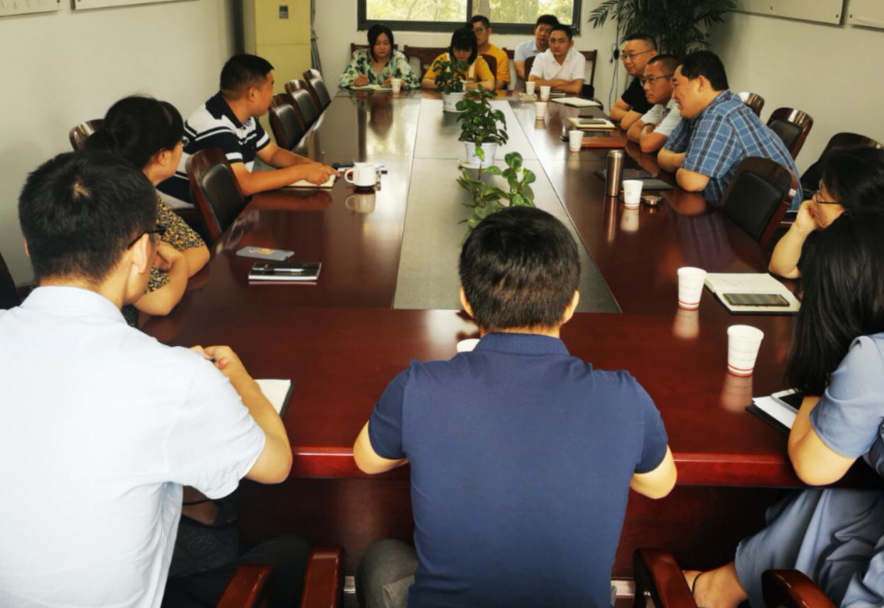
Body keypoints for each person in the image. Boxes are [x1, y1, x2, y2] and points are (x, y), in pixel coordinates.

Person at [0, 150, 307, 608]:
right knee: (292, 550)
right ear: (143, 251)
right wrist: (238, 377)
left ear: (29, 247)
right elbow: (275, 464)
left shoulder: (169, 375)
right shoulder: (173, 378)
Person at [352, 206, 677, 608]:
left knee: (381, 558)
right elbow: (660, 484)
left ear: (466, 302)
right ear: (571, 305)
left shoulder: (418, 387)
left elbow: (367, 460)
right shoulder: (625, 397)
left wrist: (424, 440)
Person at [684, 211, 884, 608]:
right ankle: (717, 589)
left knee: (831, 495)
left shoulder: (872, 357)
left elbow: (812, 466)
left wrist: (821, 371)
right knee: (837, 502)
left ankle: (713, 591)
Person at [85, 96, 209, 323]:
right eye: (181, 142)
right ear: (163, 156)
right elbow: (160, 302)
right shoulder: (112, 203)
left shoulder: (141, 192)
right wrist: (177, 264)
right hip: (104, 331)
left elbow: (198, 249)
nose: (182, 148)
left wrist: (165, 279)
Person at [158, 54, 338, 206]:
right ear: (252, 94)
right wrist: (301, 172)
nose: (273, 93)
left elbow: (272, 153)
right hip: (190, 212)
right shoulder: (215, 125)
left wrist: (307, 165)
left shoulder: (241, 115)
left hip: (220, 201)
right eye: (271, 86)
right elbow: (245, 184)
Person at [658, 51, 802, 208]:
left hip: (769, 219)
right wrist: (687, 158)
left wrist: (685, 161)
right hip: (734, 211)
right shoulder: (695, 112)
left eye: (676, 85)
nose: (672, 95)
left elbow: (691, 181)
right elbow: (662, 156)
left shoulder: (720, 115)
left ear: (700, 83)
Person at [769, 147, 884, 279]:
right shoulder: (822, 235)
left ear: (849, 210)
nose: (813, 199)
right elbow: (780, 268)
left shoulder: (860, 260)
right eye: (819, 189)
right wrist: (800, 229)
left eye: (821, 197)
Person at [625, 55, 682, 153]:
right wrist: (651, 128)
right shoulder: (660, 104)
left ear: (673, 80)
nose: (645, 87)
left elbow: (647, 145)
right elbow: (632, 131)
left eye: (652, 79)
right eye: (644, 81)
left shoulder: (679, 106)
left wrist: (647, 129)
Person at [338, 24, 419, 90]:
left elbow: (414, 81)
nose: (382, 47)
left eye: (386, 43)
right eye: (377, 43)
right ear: (371, 44)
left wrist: (399, 82)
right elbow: (343, 80)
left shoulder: (398, 58)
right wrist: (355, 81)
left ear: (391, 44)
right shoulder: (361, 57)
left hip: (391, 102)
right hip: (365, 101)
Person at [421, 27, 494, 92]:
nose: (461, 54)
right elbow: (425, 82)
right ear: (452, 48)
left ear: (473, 50)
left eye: (466, 50)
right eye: (457, 49)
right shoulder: (443, 59)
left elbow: (490, 85)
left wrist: (462, 86)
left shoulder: (479, 62)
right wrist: (447, 85)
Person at [610, 34, 658, 129]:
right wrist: (635, 119)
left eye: (632, 55)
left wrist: (633, 119)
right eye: (624, 56)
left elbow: (627, 123)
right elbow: (614, 111)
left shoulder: (656, 82)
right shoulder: (639, 80)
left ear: (652, 55)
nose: (627, 61)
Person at [527, 24, 585, 95]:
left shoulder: (578, 58)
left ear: (571, 44)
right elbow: (532, 83)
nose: (556, 45)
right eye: (552, 41)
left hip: (569, 99)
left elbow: (576, 88)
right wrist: (560, 82)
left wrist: (546, 85)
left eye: (561, 41)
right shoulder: (541, 57)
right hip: (545, 98)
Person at [513, 14, 559, 82]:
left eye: (548, 31)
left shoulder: (558, 50)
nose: (543, 34)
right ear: (535, 30)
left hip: (549, 87)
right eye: (541, 29)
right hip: (524, 87)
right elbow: (520, 71)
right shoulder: (522, 48)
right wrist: (537, 83)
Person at [470, 15, 510, 90]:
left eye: (479, 30)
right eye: (472, 32)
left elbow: (499, 84)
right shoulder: (464, 53)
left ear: (489, 31)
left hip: (490, 94)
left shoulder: (500, 55)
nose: (475, 35)